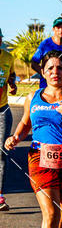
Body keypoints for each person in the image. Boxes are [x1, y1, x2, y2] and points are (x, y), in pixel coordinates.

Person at [5, 51, 62, 228]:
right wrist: (15, 137)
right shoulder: (33, 97)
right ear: (43, 73)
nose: (56, 72)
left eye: (61, 68)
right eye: (51, 68)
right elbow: (25, 123)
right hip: (39, 159)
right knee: (50, 214)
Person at [0, 28, 17, 211]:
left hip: (2, 110)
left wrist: (12, 84)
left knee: (2, 153)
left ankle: (0, 196)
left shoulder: (7, 57)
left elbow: (11, 76)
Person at [31, 18, 62, 88]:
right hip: (46, 87)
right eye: (58, 28)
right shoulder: (45, 44)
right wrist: (46, 74)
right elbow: (34, 63)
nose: (61, 30)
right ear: (53, 29)